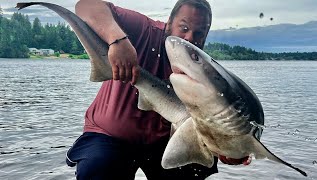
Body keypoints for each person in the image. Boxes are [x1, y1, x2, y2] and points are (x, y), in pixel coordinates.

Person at [66, 0, 250, 179]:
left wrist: (225, 146)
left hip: (165, 142)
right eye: (184, 28)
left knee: (197, 167)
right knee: (98, 166)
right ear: (169, 23)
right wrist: (117, 40)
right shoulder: (144, 29)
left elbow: (205, 121)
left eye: (199, 33)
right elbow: (86, 5)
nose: (190, 38)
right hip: (110, 135)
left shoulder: (203, 71)